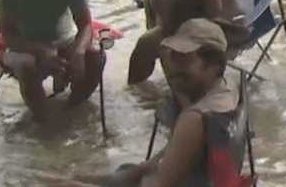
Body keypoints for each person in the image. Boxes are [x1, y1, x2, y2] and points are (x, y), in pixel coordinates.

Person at [68, 20, 242, 187]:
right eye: (172, 56)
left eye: (184, 60)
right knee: (77, 178)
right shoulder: (229, 88)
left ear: (215, 66)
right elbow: (180, 154)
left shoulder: (193, 120)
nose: (173, 68)